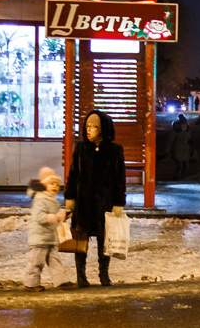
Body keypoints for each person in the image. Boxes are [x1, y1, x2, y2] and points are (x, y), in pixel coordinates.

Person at [64, 109, 126, 287]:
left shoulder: (115, 151)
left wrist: (118, 202)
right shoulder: (81, 148)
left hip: (104, 203)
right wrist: (70, 198)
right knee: (80, 239)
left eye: (94, 126)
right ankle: (81, 275)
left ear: (103, 129)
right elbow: (72, 175)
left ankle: (103, 274)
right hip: (83, 202)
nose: (89, 129)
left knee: (104, 240)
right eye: (87, 126)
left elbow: (119, 179)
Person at [24, 167, 73, 292]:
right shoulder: (40, 199)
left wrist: (63, 214)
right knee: (37, 261)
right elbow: (38, 216)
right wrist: (52, 217)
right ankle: (31, 283)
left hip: (50, 237)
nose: (55, 187)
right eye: (51, 183)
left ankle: (61, 282)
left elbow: (55, 215)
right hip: (39, 237)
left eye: (57, 184)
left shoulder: (52, 200)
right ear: (44, 185)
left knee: (55, 260)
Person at [167, 113, 191, 180]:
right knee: (180, 166)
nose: (184, 126)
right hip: (177, 150)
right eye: (183, 125)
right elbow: (170, 141)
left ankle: (180, 178)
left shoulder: (187, 131)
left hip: (185, 151)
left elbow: (189, 140)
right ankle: (178, 178)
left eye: (185, 125)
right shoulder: (176, 131)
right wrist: (167, 150)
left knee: (185, 166)